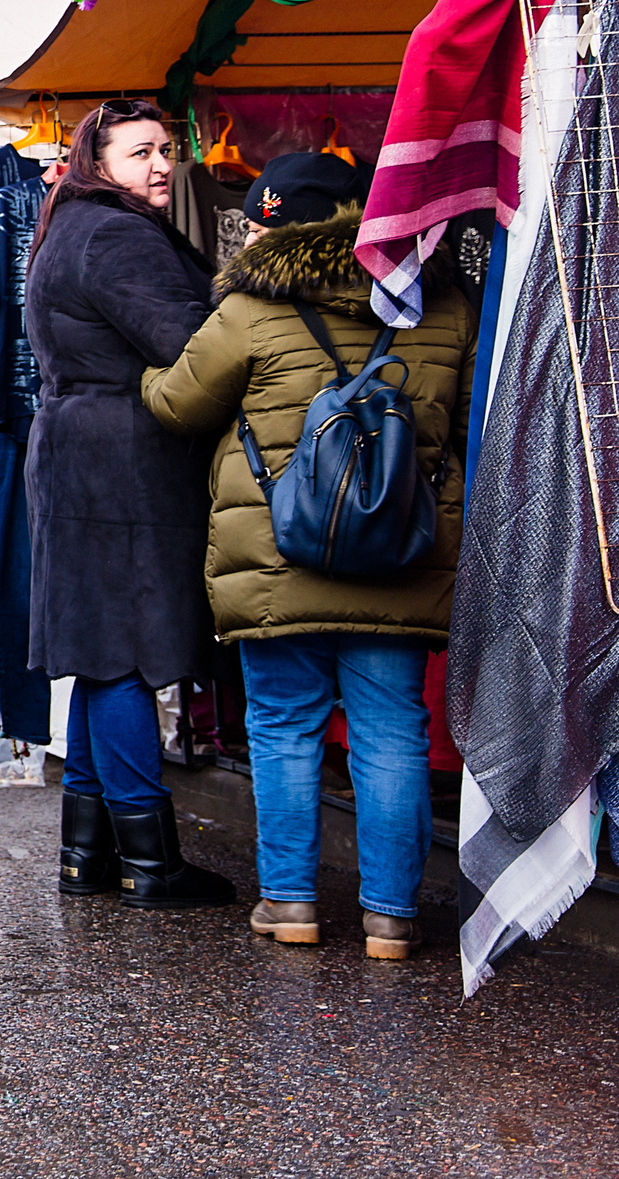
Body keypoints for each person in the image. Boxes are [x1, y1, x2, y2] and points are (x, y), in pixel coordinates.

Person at [141, 152, 472, 960]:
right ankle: (390, 918)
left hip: (277, 556)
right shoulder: (446, 304)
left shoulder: (253, 306)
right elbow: (469, 425)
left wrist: (144, 373)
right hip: (400, 552)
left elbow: (179, 403)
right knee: (392, 730)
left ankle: (289, 903)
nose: (249, 235)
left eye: (260, 221)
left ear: (286, 227)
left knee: (285, 726)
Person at [24, 99, 234, 909]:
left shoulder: (71, 225)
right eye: (141, 151)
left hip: (82, 455)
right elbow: (191, 344)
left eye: (166, 149)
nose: (161, 164)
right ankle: (152, 862)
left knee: (101, 652)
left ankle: (87, 854)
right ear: (98, 161)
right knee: (128, 654)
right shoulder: (114, 234)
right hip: (122, 463)